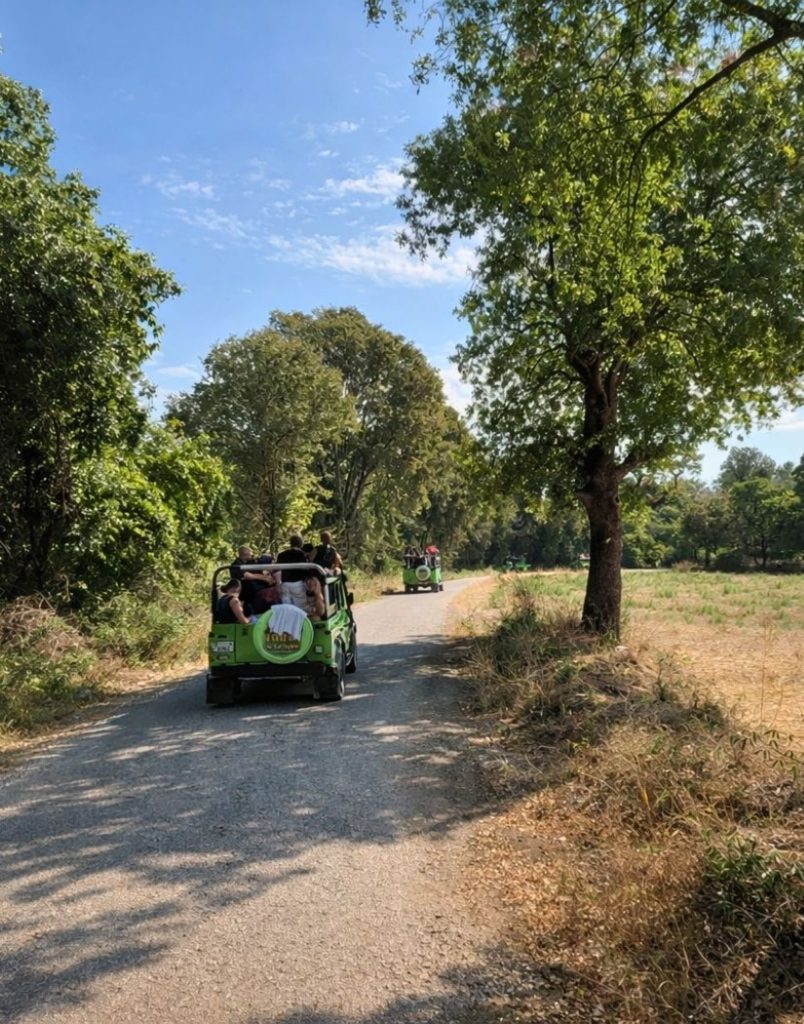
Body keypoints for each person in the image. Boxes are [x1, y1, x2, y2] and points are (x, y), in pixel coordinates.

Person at [276, 533, 308, 609]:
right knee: (301, 608)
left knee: (286, 608)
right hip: (297, 583)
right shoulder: (302, 554)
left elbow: (277, 568)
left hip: (285, 584)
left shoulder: (281, 555)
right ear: (301, 544)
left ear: (290, 543)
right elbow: (305, 569)